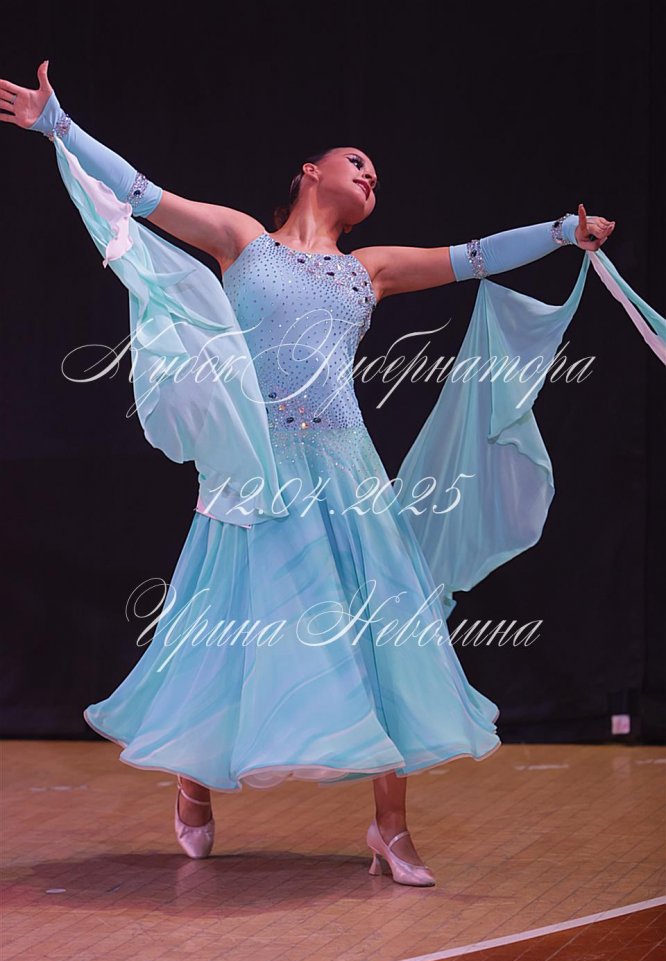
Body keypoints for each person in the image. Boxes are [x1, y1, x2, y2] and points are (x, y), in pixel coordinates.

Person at [1, 62, 616, 887]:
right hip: (257, 468)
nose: (370, 175)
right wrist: (59, 127)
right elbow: (140, 194)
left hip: (346, 467)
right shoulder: (241, 238)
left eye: (377, 174)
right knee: (226, 627)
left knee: (382, 632)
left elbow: (473, 258)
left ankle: (391, 827)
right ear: (309, 171)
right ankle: (194, 782)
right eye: (355, 161)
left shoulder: (373, 267)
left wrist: (560, 232)